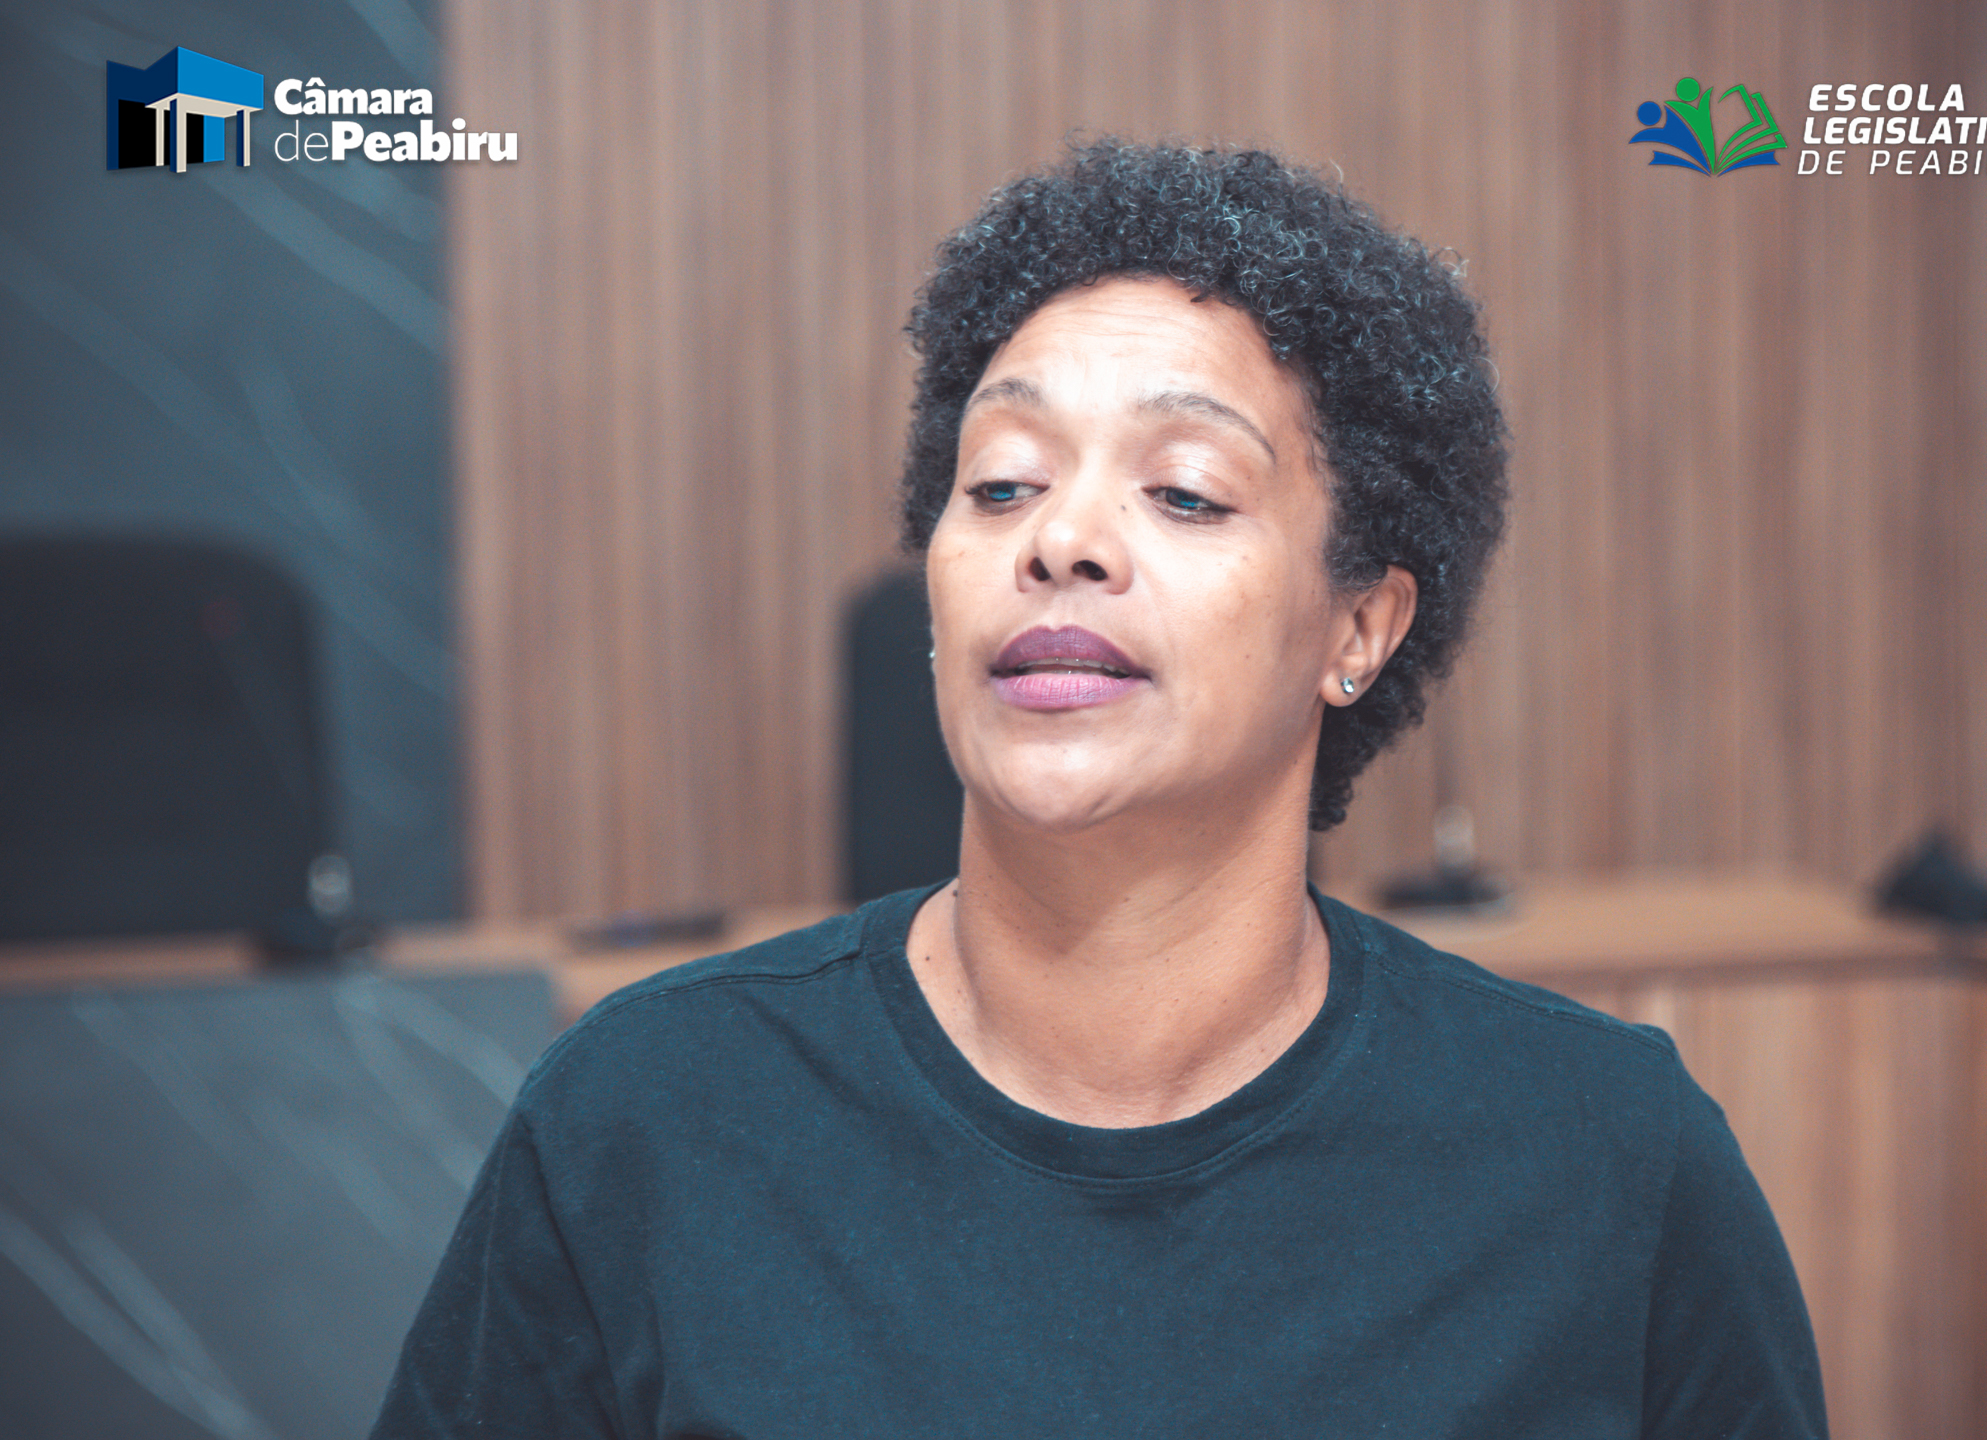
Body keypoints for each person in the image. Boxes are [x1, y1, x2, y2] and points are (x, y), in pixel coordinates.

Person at [372, 138, 1828, 1437]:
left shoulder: (1607, 1160)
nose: (1060, 538)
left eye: (1184, 491)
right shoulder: (647, 1118)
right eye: (1002, 483)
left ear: (1359, 627)